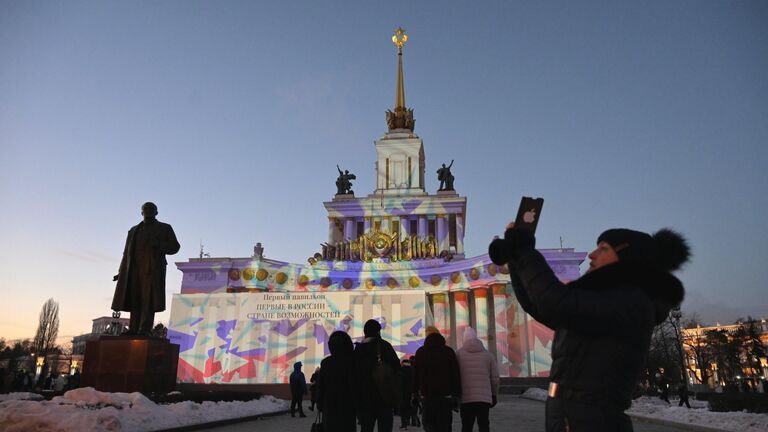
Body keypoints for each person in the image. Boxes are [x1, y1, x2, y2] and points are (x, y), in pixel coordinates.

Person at [489, 226, 690, 432]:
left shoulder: (630, 300)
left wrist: (525, 251)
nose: (592, 254)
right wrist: (515, 258)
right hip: (576, 415)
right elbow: (538, 305)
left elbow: (556, 303)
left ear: (627, 255)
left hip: (592, 419)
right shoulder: (609, 298)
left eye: (603, 248)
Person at [112, 202, 180, 336]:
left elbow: (175, 247)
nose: (148, 211)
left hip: (152, 269)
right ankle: (133, 328)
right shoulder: (133, 231)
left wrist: (158, 245)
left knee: (148, 299)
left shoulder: (164, 228)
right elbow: (126, 253)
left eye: (151, 209)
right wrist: (121, 272)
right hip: (133, 269)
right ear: (141, 212)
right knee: (134, 298)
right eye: (146, 209)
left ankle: (145, 329)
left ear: (156, 212)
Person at [354, 319, 401, 432]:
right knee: (385, 428)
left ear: (365, 331)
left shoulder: (358, 350)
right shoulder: (385, 346)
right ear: (378, 331)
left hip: (364, 397)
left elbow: (354, 374)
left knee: (366, 428)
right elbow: (396, 368)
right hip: (384, 395)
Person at [413, 326, 462, 432]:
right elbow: (455, 374)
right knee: (444, 425)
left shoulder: (421, 352)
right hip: (445, 397)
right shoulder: (448, 352)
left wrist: (415, 392)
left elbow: (415, 375)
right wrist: (457, 394)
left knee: (428, 423)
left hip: (427, 396)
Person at [456, 327, 499, 432]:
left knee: (466, 426)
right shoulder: (488, 355)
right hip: (484, 398)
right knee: (484, 425)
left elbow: (455, 376)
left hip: (466, 398)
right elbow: (495, 378)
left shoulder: (458, 354)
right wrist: (494, 394)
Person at [318, 331, 357, 432]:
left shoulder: (326, 363)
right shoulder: (352, 361)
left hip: (330, 404)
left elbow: (321, 386)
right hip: (348, 405)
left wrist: (319, 403)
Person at [398, 358, 414, 430]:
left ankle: (404, 423)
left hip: (402, 391)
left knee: (403, 407)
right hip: (410, 391)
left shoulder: (401, 371)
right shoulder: (412, 370)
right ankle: (410, 420)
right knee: (408, 405)